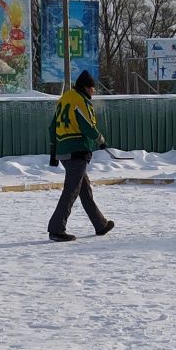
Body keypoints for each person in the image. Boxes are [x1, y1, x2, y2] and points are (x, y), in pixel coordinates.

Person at [47, 69, 114, 243]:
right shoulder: (80, 101)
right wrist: (100, 140)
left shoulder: (65, 98)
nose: (94, 91)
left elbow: (52, 127)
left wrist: (54, 152)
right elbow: (87, 126)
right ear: (85, 87)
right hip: (77, 149)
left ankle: (100, 224)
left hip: (64, 149)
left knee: (84, 188)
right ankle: (56, 229)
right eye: (92, 88)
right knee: (71, 190)